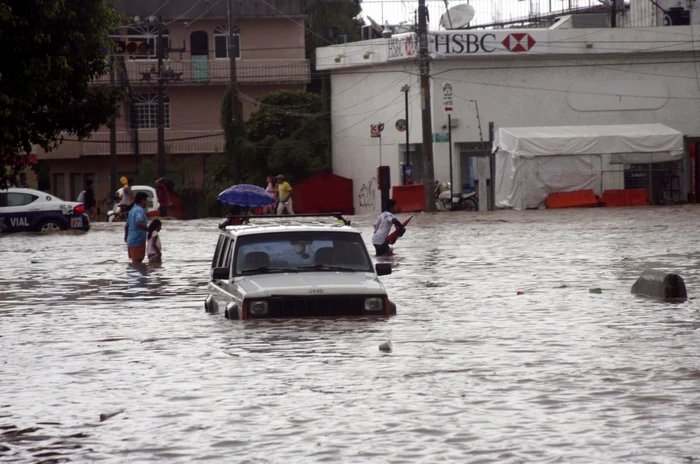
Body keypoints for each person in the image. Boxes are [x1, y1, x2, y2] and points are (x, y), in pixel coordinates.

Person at [124, 192, 149, 264]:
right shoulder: (139, 210)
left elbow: (126, 226)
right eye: (146, 200)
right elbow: (139, 223)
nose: (146, 202)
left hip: (131, 241)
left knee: (135, 263)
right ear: (142, 200)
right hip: (137, 241)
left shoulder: (132, 210)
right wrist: (150, 230)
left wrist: (126, 237)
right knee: (137, 263)